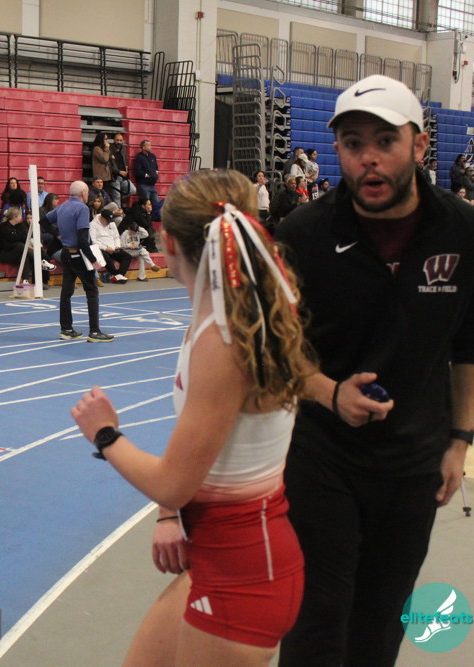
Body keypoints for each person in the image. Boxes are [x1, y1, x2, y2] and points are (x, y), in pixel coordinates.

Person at [274, 74, 474, 666]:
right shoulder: (303, 234)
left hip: (415, 461)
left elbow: (473, 339)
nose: (368, 157)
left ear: (419, 145)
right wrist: (330, 392)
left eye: (385, 141)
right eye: (352, 143)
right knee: (316, 623)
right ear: (337, 150)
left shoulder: (467, 232)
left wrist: (458, 439)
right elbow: (276, 346)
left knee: (381, 621)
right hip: (322, 457)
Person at [70, 168, 311, 665]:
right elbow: (202, 441)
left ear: (168, 242)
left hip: (244, 573)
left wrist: (106, 433)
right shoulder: (233, 315)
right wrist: (169, 515)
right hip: (224, 555)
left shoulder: (223, 339)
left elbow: (174, 484)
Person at [46, 180, 111, 342]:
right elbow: (83, 239)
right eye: (87, 192)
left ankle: (66, 329)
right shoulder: (82, 208)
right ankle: (94, 331)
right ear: (83, 193)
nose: (88, 195)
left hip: (66, 253)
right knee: (92, 291)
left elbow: (43, 221)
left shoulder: (62, 206)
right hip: (78, 254)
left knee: (66, 293)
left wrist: (58, 234)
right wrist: (93, 260)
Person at [90, 202, 131, 283]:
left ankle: (119, 275)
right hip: (101, 248)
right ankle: (116, 275)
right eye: (107, 220)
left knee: (127, 257)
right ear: (101, 218)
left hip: (113, 247)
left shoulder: (111, 223)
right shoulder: (93, 225)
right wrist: (106, 248)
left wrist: (117, 246)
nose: (109, 222)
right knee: (106, 257)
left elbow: (116, 236)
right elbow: (93, 241)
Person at [109, 133, 135, 207]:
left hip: (123, 176)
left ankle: (113, 200)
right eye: (117, 140)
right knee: (117, 197)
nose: (119, 142)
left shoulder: (123, 149)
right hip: (114, 177)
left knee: (132, 190)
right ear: (114, 140)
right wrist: (119, 171)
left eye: (120, 140)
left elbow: (125, 160)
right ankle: (119, 212)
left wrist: (126, 168)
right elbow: (108, 165)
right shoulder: (109, 149)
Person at [133, 139, 160, 205]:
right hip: (144, 185)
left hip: (152, 185)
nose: (150, 147)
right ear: (143, 147)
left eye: (150, 145)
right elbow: (137, 170)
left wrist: (156, 173)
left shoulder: (153, 156)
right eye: (148, 145)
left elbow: (156, 167)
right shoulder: (140, 157)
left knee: (156, 203)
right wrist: (146, 175)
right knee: (146, 204)